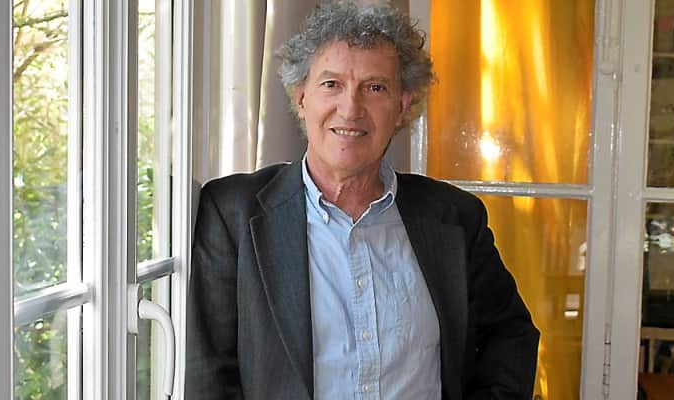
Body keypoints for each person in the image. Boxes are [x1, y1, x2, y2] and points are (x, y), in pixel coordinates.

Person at [185, 1, 539, 399]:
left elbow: (511, 335)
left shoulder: (456, 217)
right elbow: (209, 374)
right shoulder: (233, 214)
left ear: (402, 106)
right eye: (331, 84)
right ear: (301, 98)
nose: (350, 109)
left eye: (375, 88)